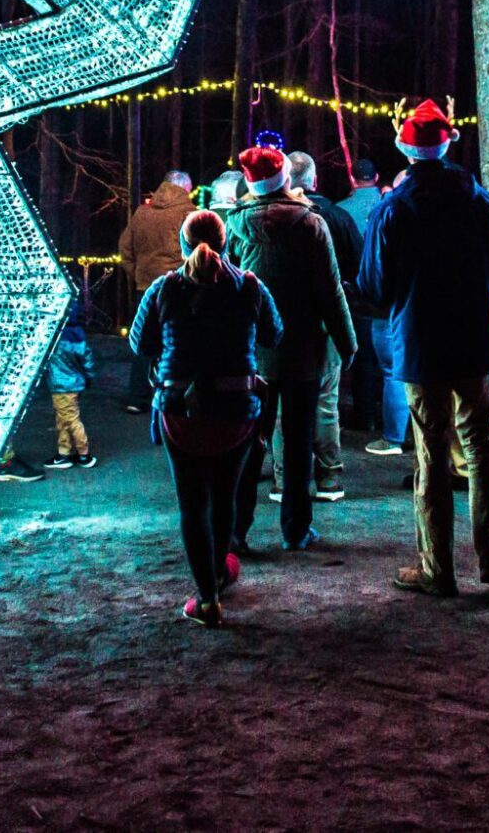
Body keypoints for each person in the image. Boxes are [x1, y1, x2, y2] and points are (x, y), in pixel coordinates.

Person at [360, 99, 489, 596]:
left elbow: (374, 286)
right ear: (448, 145)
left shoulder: (393, 208)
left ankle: (437, 568)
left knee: (430, 455)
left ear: (405, 149)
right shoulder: (477, 199)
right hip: (475, 343)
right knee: (481, 450)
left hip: (421, 345)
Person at [130, 208, 282, 627]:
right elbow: (274, 333)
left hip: (182, 412)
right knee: (225, 500)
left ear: (183, 245)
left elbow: (139, 344)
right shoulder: (249, 286)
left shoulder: (164, 289)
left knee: (192, 504)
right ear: (225, 243)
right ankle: (219, 569)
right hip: (237, 413)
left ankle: (207, 597)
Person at [224, 145, 355, 552]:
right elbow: (330, 290)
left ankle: (236, 530)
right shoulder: (309, 225)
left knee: (248, 441)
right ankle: (295, 528)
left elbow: (229, 291)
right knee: (298, 443)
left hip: (253, 353)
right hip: (301, 350)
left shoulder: (234, 226)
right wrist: (346, 341)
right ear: (284, 180)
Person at [286, 151, 362, 501]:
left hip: (285, 322)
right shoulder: (339, 217)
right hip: (328, 321)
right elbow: (359, 268)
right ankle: (329, 478)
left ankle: (284, 479)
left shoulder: (272, 218)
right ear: (314, 181)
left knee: (282, 403)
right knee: (326, 401)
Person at [336, 157, 407, 456]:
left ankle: (368, 417)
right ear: (377, 177)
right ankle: (396, 429)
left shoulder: (341, 210)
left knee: (365, 359)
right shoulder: (394, 210)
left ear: (353, 178)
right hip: (399, 303)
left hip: (364, 300)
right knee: (395, 370)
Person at [117, 171, 198, 411]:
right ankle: (173, 398)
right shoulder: (189, 214)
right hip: (178, 287)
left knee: (143, 341)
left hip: (145, 287)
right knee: (178, 342)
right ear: (184, 188)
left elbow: (125, 248)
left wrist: (138, 274)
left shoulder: (142, 213)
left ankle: (137, 397)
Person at [43, 283, 99, 471]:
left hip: (61, 386)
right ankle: (64, 453)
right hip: (76, 383)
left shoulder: (55, 338)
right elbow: (88, 359)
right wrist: (89, 376)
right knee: (64, 419)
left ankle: (84, 455)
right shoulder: (77, 335)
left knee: (71, 419)